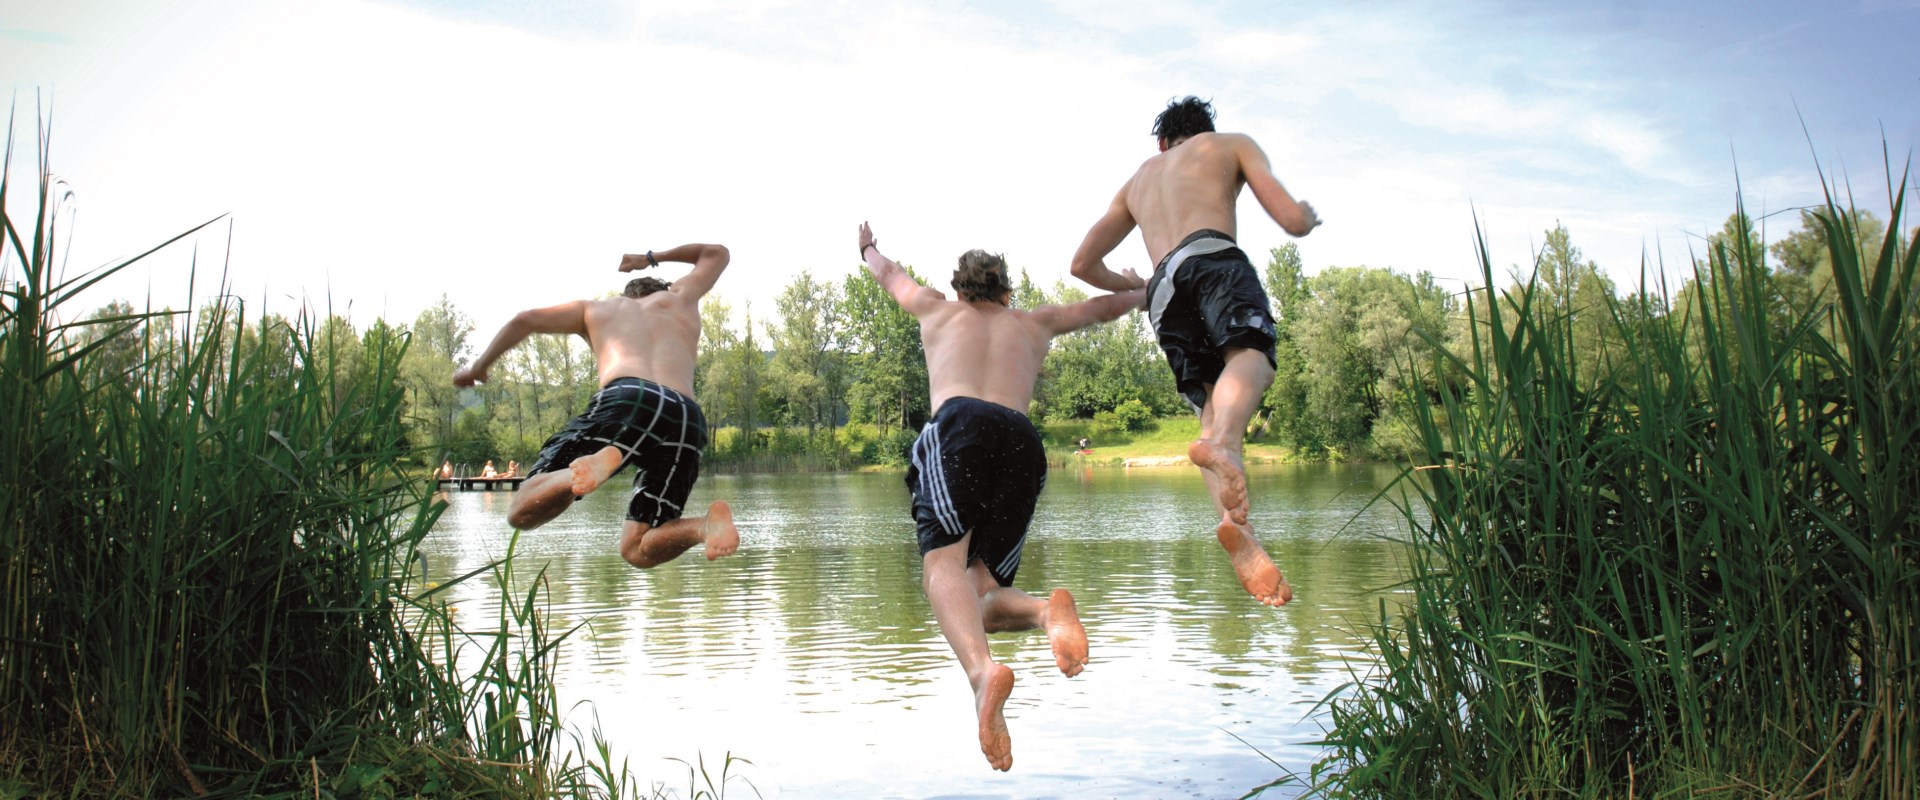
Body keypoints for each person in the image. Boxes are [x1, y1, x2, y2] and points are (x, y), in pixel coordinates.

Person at [859, 221, 1143, 772]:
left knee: (941, 568)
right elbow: (1102, 309)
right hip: (1021, 439)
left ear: (960, 290)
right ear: (1007, 291)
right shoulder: (1035, 321)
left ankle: (981, 674)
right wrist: (1140, 287)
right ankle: (1044, 613)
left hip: (960, 424)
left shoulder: (936, 310)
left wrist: (867, 247)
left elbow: (889, 275)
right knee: (980, 597)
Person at [1069, 96, 1321, 608]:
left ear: (1162, 143)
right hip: (1213, 257)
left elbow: (1082, 264)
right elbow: (1290, 220)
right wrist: (1306, 219)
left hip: (1163, 286)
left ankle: (1236, 527)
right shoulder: (1230, 145)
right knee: (1251, 353)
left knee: (1210, 405)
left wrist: (1132, 284)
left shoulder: (1139, 179)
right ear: (1204, 132)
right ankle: (1226, 445)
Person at [452, 243, 739, 569]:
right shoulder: (680, 297)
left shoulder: (598, 310)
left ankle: (582, 470)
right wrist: (648, 259)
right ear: (662, 289)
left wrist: (479, 368)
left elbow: (526, 319)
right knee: (636, 548)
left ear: (629, 297)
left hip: (629, 398)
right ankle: (704, 526)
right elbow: (717, 253)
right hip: (686, 414)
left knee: (521, 511)